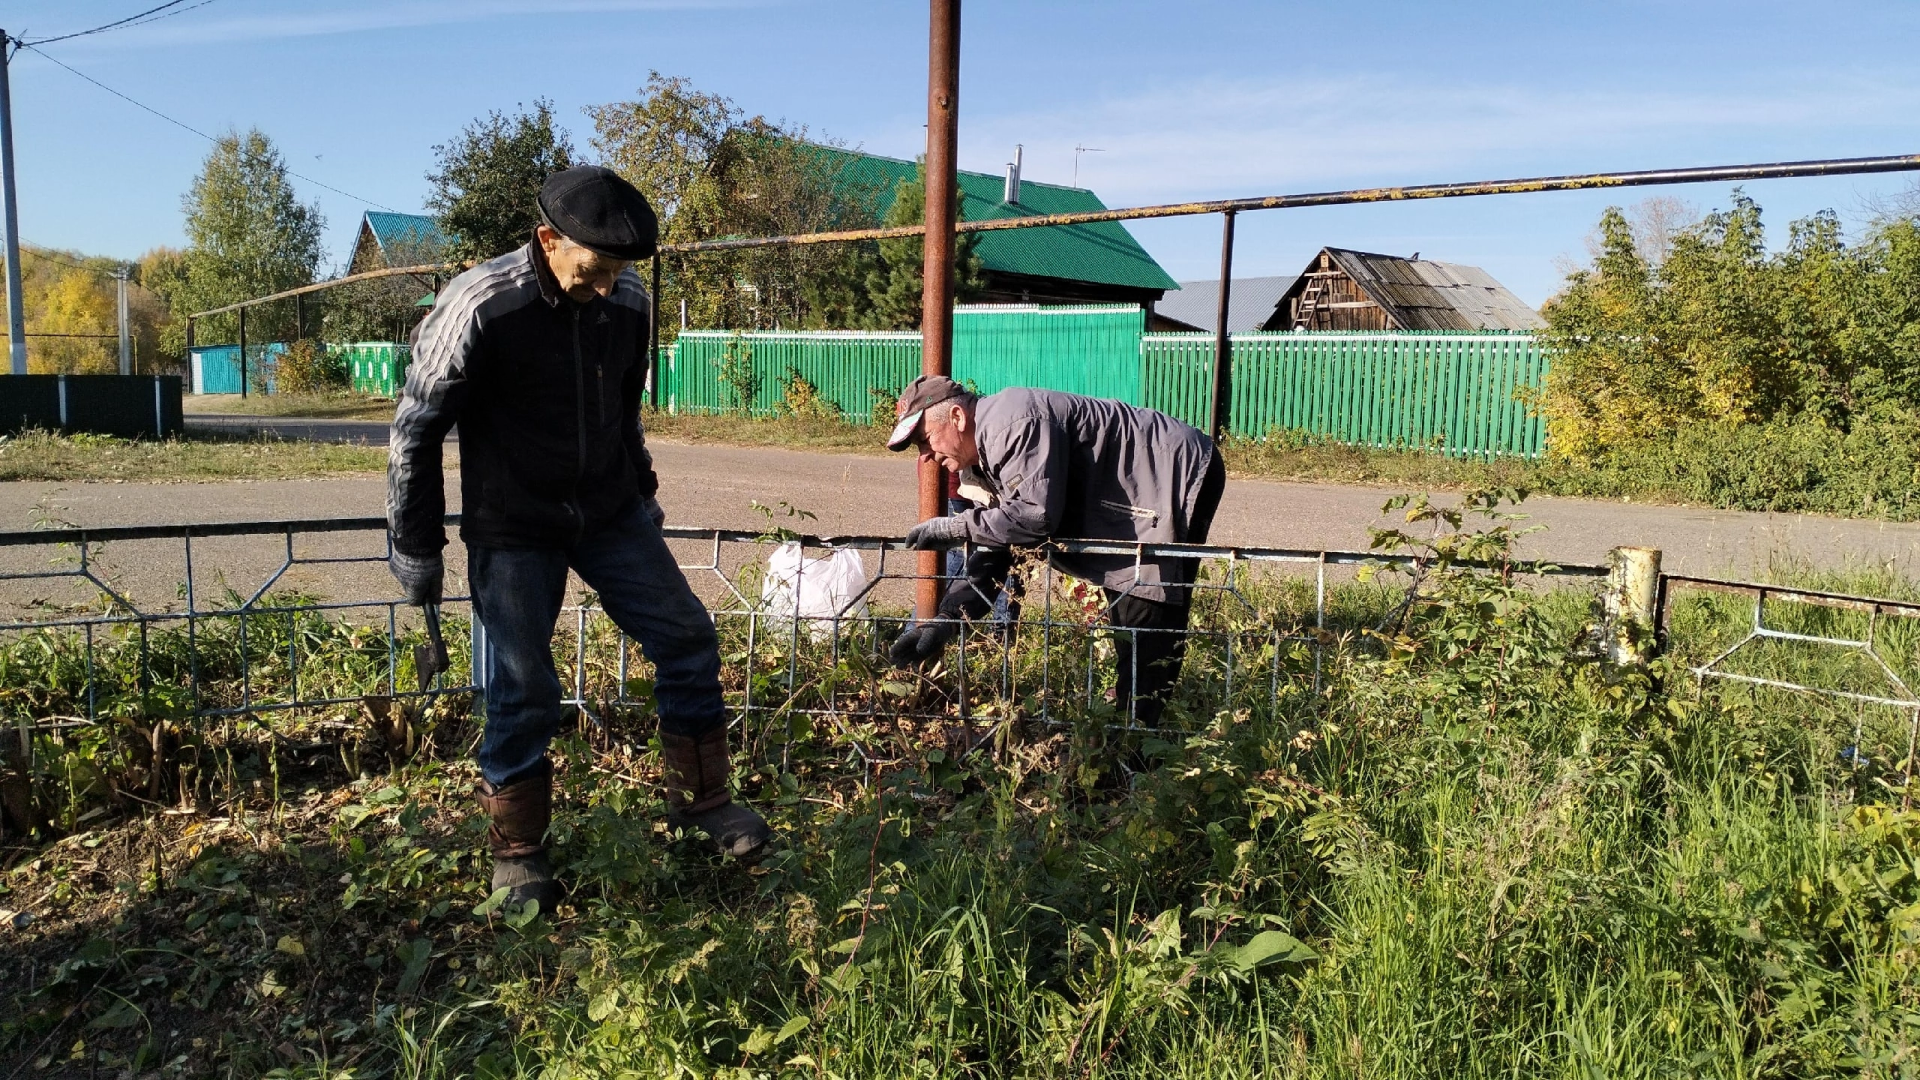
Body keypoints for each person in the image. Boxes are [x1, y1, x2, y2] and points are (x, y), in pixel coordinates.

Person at [387, 165, 770, 911]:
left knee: (688, 638)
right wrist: (417, 545)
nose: (607, 289)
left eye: (618, 274)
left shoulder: (625, 298)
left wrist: (643, 497)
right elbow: (414, 433)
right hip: (514, 524)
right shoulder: (478, 305)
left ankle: (704, 803)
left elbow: (625, 415)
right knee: (523, 683)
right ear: (547, 240)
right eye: (593, 272)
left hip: (608, 512)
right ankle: (519, 848)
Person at [885, 376, 1227, 725]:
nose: (926, 456)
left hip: (1172, 471)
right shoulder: (985, 454)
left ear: (956, 417)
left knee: (1146, 591)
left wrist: (957, 527)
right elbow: (1002, 543)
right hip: (1136, 485)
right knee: (1132, 606)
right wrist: (948, 619)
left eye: (925, 441)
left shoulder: (1012, 425)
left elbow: (1035, 516)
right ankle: (1131, 718)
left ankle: (1138, 743)